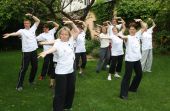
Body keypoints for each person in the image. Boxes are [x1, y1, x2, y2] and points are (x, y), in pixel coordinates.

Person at [38, 19, 79, 111]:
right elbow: (53, 48)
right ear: (59, 34)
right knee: (60, 92)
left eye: (66, 34)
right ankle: (57, 108)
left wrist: (72, 23)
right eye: (62, 34)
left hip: (71, 71)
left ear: (69, 35)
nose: (63, 36)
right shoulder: (57, 42)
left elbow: (77, 31)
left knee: (70, 89)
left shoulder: (71, 40)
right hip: (61, 71)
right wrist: (45, 52)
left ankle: (67, 106)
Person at [3, 13, 40, 91]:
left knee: (35, 67)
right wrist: (9, 34)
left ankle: (31, 80)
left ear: (30, 24)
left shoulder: (33, 28)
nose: (26, 24)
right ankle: (19, 85)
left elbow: (38, 21)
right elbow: (16, 33)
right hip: (26, 52)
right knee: (24, 68)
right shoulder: (22, 31)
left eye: (27, 23)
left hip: (34, 51)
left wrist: (31, 15)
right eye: (25, 23)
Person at [119, 19, 146, 99]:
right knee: (127, 76)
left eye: (133, 29)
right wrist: (121, 35)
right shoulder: (127, 37)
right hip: (129, 60)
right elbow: (123, 37)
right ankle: (123, 94)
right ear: (129, 30)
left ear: (135, 30)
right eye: (130, 29)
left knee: (139, 74)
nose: (131, 30)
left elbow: (144, 27)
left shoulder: (138, 35)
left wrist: (140, 21)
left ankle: (132, 88)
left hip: (137, 59)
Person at [36, 21, 59, 88]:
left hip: (53, 51)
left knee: (52, 63)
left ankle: (49, 73)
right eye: (44, 28)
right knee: (46, 63)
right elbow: (35, 39)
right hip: (46, 52)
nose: (45, 29)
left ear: (48, 28)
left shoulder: (51, 31)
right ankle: (42, 75)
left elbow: (57, 26)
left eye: (46, 28)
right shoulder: (42, 35)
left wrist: (52, 22)